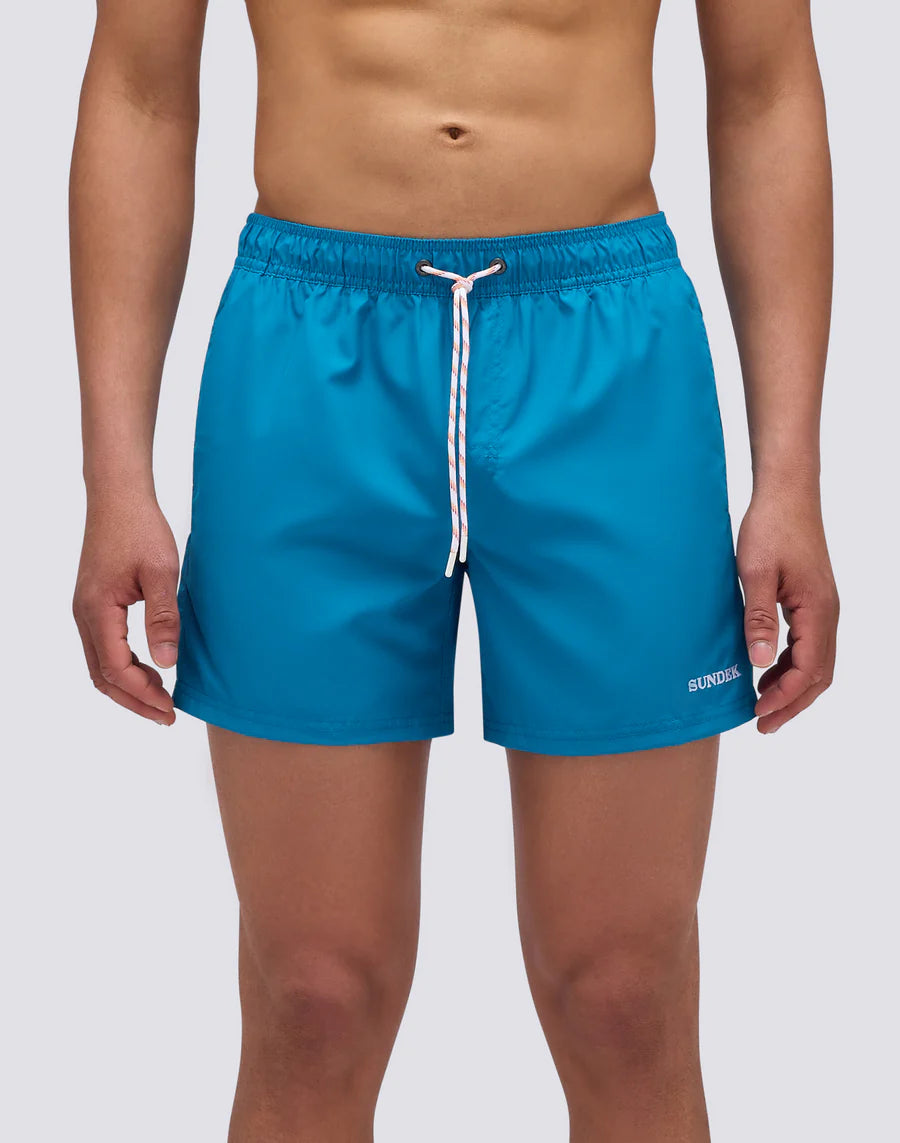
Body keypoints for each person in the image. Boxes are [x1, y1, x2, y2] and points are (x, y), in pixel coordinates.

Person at [70, 0, 839, 1138]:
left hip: (609, 358)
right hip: (309, 358)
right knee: (314, 996)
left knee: (624, 993)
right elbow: (139, 90)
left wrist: (793, 479)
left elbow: (766, 89)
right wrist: (112, 478)